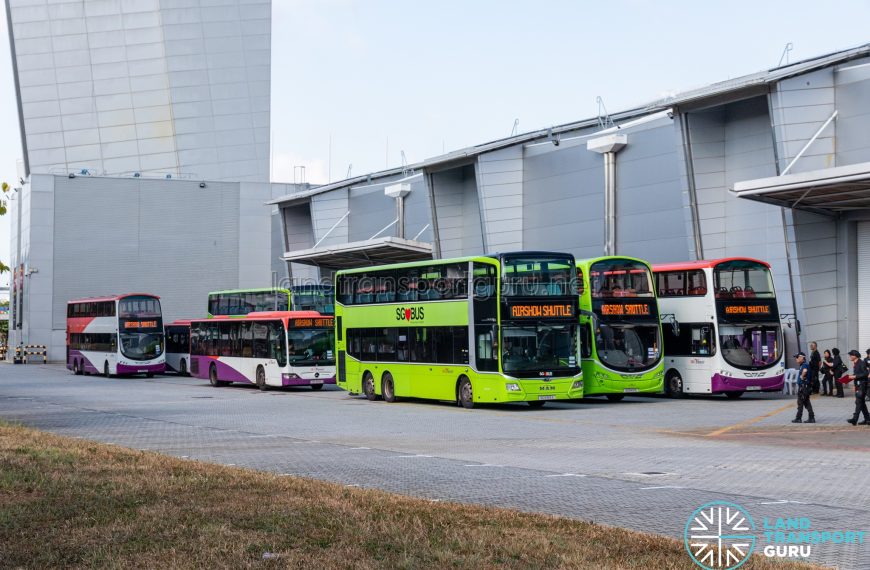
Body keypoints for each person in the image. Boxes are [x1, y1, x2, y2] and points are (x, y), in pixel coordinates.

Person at [846, 349, 870, 426]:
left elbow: (866, 373)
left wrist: (855, 376)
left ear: (855, 356)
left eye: (850, 355)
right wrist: (850, 378)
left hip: (862, 385)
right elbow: (858, 374)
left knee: (858, 402)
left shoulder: (861, 363)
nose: (849, 356)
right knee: (861, 402)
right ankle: (868, 419)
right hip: (859, 385)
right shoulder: (856, 363)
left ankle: (854, 419)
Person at [792, 352, 815, 424]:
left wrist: (802, 376)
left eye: (797, 357)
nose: (796, 359)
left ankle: (798, 418)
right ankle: (811, 418)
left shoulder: (804, 365)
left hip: (803, 387)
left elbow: (805, 371)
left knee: (800, 403)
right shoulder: (804, 365)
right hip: (805, 387)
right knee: (806, 402)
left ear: (802, 358)